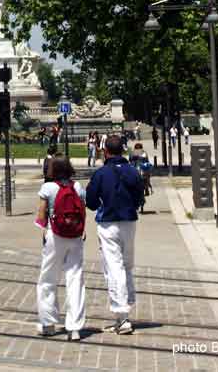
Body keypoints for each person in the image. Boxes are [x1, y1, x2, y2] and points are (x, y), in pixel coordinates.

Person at [86, 134, 144, 335]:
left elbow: (91, 202)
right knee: (127, 265)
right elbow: (139, 196)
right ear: (123, 150)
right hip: (129, 221)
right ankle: (126, 306)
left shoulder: (100, 173)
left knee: (114, 267)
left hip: (108, 222)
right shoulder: (133, 171)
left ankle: (122, 316)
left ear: (105, 151)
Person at [35, 156, 86, 341]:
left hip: (55, 236)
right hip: (75, 237)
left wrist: (43, 230)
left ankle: (48, 323)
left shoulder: (48, 188)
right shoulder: (78, 187)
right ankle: (75, 328)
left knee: (48, 279)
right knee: (75, 280)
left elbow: (41, 215)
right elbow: (82, 211)